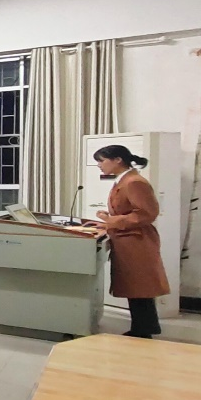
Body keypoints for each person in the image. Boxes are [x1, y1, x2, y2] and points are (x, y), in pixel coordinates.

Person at [84, 145, 169, 339]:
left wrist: (111, 220)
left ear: (117, 160)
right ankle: (145, 327)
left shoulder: (134, 182)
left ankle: (142, 331)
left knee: (139, 287)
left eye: (101, 161)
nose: (99, 165)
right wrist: (106, 223)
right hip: (128, 238)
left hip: (136, 241)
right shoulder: (124, 180)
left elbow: (147, 213)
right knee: (137, 287)